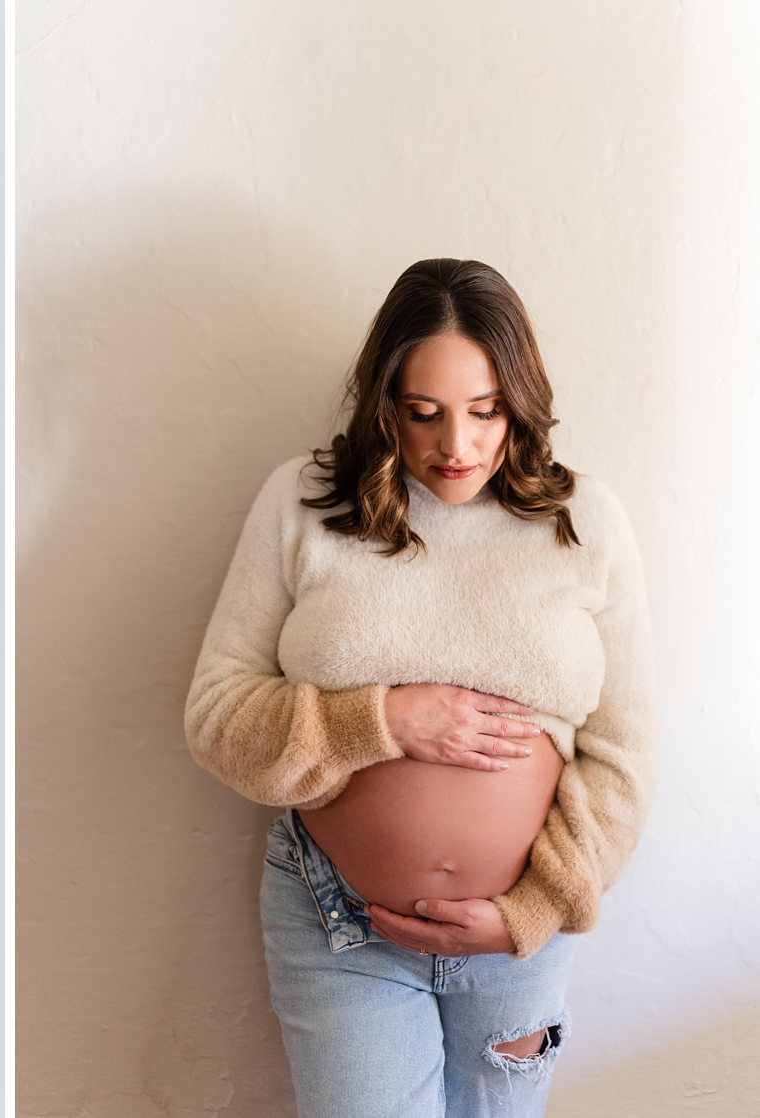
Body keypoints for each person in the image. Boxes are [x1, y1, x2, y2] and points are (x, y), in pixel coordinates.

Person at [184, 258, 656, 1118]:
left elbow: (627, 751)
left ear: (522, 398)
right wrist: (384, 720)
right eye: (423, 413)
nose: (456, 447)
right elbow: (216, 715)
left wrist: (532, 907)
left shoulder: (585, 524)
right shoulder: (306, 503)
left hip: (518, 941)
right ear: (383, 403)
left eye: (486, 412)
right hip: (337, 920)